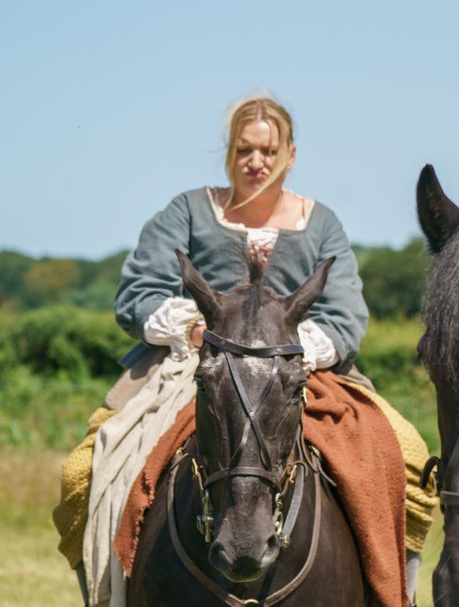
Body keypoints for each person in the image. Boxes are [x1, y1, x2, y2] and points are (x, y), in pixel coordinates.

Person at [53, 95, 434, 606]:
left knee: (408, 456)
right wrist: (192, 329)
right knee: (84, 471)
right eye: (244, 149)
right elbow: (137, 294)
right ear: (230, 153)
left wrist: (291, 351)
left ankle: (394, 594)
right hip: (192, 364)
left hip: (300, 368)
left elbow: (344, 315)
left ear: (290, 155)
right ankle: (109, 596)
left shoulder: (321, 225)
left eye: (268, 151)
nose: (256, 162)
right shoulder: (186, 211)